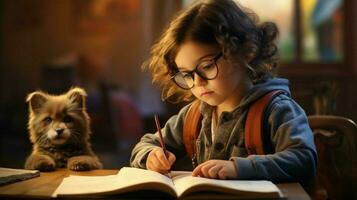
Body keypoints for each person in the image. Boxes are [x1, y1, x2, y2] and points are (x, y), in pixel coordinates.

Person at [130, 0, 317, 183]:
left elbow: (304, 159)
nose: (198, 82)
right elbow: (145, 144)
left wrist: (239, 168)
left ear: (245, 52)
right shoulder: (194, 116)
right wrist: (151, 156)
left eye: (207, 66)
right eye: (186, 74)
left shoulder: (276, 110)